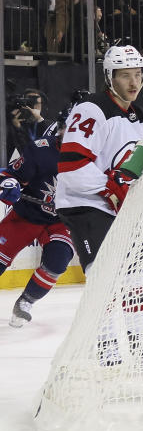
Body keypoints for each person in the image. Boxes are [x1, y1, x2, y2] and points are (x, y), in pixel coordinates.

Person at [55, 44, 143, 364]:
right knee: (102, 272)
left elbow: (138, 164)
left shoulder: (140, 119)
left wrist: (142, 190)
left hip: (118, 205)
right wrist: (109, 187)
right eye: (125, 75)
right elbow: (72, 167)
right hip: (85, 203)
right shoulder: (91, 110)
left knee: (139, 272)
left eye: (138, 75)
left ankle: (139, 338)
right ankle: (103, 343)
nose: (133, 82)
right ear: (109, 77)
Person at [0, 93, 76, 327]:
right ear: (61, 129)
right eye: (69, 129)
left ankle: (26, 302)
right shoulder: (40, 150)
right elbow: (9, 174)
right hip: (27, 216)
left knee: (58, 260)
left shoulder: (94, 157)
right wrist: (8, 184)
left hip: (60, 220)